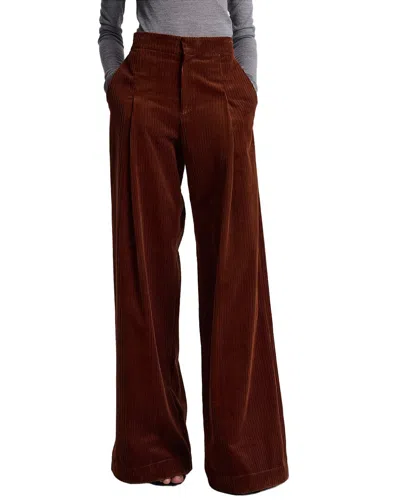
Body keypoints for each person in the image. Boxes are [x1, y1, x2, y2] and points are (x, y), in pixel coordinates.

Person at [98, 0, 289, 495]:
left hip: (220, 80)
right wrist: (118, 86)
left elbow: (244, 24)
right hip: (147, 83)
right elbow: (108, 24)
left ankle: (242, 456)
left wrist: (246, 91)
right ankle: (154, 449)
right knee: (145, 272)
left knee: (236, 270)